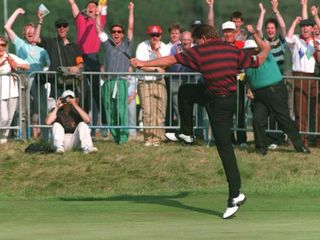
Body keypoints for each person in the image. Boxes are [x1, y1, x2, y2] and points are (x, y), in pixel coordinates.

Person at [130, 23, 270, 219]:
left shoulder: (199, 51)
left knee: (225, 149)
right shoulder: (232, 50)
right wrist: (267, 49)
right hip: (222, 98)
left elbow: (170, 59)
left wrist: (142, 64)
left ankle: (236, 194)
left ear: (203, 39)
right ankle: (187, 132)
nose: (194, 45)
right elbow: (257, 61)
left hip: (219, 104)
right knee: (187, 91)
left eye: (196, 41)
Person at [242, 27, 311, 155]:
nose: (247, 52)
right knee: (257, 120)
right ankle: (261, 149)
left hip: (274, 90)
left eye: (249, 50)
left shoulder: (265, 54)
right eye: (246, 50)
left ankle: (299, 146)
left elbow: (264, 46)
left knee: (283, 119)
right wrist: (248, 89)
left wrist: (253, 34)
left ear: (256, 49)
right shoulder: (247, 64)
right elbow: (248, 79)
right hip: (259, 95)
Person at [4, 8, 51, 139]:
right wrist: (17, 12)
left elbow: (49, 65)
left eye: (32, 31)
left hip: (38, 80)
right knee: (22, 110)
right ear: (24, 34)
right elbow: (7, 27)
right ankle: (20, 136)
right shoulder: (20, 44)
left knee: (42, 109)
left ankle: (46, 137)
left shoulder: (42, 50)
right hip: (24, 79)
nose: (30, 33)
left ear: (36, 33)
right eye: (27, 32)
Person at [96, 1, 134, 144]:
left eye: (119, 32)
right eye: (114, 32)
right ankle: (115, 136)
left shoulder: (127, 45)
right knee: (109, 109)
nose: (116, 34)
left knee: (121, 110)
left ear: (122, 34)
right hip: (108, 81)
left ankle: (123, 137)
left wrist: (130, 10)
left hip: (121, 81)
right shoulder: (108, 45)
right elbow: (99, 30)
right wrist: (99, 14)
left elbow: (130, 27)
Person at [67, 0, 108, 135]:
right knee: (82, 93)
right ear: (85, 10)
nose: (91, 8)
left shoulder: (100, 19)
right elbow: (73, 5)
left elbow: (104, 4)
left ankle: (104, 125)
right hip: (80, 57)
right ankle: (83, 126)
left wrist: (99, 9)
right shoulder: (80, 19)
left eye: (94, 6)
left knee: (96, 92)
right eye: (89, 6)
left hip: (93, 57)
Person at [256, 0, 287, 149]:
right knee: (265, 111)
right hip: (265, 82)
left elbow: (283, 26)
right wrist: (262, 13)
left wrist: (276, 11)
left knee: (278, 111)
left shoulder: (281, 41)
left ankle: (277, 138)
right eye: (268, 28)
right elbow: (257, 31)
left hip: (278, 81)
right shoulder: (264, 44)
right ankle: (267, 138)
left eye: (272, 28)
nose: (270, 30)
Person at [286, 17, 320, 146]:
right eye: (303, 26)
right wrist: (295, 22)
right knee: (301, 110)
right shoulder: (296, 40)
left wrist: (317, 49)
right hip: (299, 76)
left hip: (313, 77)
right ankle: (302, 139)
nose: (305, 28)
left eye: (308, 26)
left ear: (312, 29)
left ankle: (318, 139)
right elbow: (287, 38)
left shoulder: (315, 41)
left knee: (317, 110)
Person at [135, 25, 171, 147]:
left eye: (157, 35)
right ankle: (148, 139)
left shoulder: (165, 47)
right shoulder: (141, 46)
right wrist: (156, 68)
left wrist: (157, 52)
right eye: (152, 35)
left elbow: (165, 64)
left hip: (159, 82)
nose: (155, 37)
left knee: (160, 112)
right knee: (148, 112)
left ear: (160, 36)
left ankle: (157, 139)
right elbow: (140, 66)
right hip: (144, 82)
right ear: (148, 36)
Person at [34, 16, 84, 98]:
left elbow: (81, 64)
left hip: (72, 83)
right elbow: (35, 39)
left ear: (67, 28)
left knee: (73, 108)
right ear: (56, 29)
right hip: (57, 84)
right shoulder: (51, 42)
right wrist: (40, 21)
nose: (62, 28)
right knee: (58, 108)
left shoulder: (75, 46)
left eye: (64, 26)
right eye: (59, 26)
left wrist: (76, 67)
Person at [45, 89, 97, 154]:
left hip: (73, 140)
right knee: (56, 125)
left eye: (70, 98)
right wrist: (57, 107)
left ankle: (87, 148)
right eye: (66, 98)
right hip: (61, 140)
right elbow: (48, 122)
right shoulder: (57, 110)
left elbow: (88, 120)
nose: (68, 100)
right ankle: (59, 148)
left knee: (82, 124)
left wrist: (75, 104)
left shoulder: (77, 110)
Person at [0, 36, 30, 144]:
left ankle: (4, 139)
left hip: (12, 92)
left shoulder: (10, 56)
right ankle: (1, 136)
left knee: (9, 118)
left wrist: (15, 64)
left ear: (6, 46)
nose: (0, 47)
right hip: (0, 94)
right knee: (3, 117)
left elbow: (27, 66)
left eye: (3, 45)